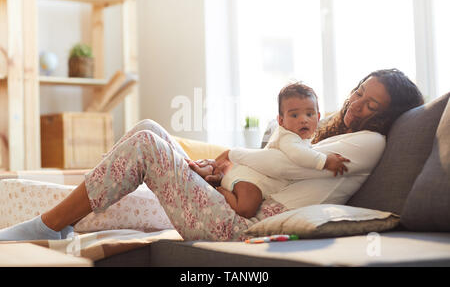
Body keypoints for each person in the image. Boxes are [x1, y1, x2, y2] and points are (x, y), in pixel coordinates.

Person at [0, 68, 424, 242]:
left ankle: (49, 227)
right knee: (149, 129)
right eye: (360, 93)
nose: (357, 105)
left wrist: (226, 162)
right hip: (237, 204)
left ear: (388, 115)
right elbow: (279, 163)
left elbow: (281, 164)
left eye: (372, 105)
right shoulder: (330, 134)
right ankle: (67, 221)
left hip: (246, 224)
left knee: (148, 145)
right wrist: (220, 172)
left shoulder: (371, 144)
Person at [198, 82, 351, 219]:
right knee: (246, 209)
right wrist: (324, 161)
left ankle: (221, 182)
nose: (303, 119)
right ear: (281, 120)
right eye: (295, 115)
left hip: (260, 183)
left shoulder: (304, 140)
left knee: (250, 204)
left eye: (309, 114)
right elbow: (297, 154)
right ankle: (218, 191)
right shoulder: (288, 137)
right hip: (250, 178)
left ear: (318, 117)